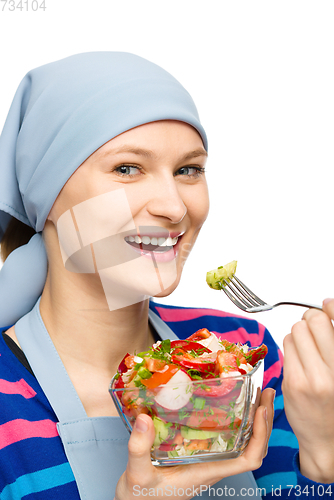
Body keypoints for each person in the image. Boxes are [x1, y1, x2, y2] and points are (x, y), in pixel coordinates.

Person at [0, 52, 332, 500]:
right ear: (47, 192)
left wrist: (323, 459)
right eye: (127, 169)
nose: (175, 208)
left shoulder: (242, 352)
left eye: (188, 170)